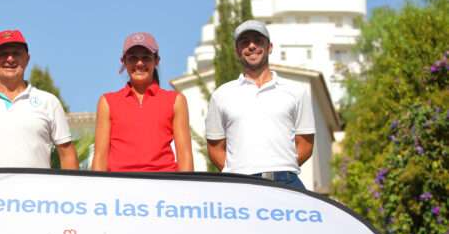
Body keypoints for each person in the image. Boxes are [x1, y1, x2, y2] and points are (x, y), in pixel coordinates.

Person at [205, 19, 315, 189]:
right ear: (237, 51)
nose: (251, 46)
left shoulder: (296, 91)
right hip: (240, 184)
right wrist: (235, 173)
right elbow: (215, 148)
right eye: (244, 42)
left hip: (288, 183)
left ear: (270, 47)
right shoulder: (221, 95)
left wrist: (283, 168)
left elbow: (306, 144)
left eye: (258, 40)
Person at [0, 29, 78, 169]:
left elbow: (67, 154)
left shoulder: (48, 102)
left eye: (16, 53)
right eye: (2, 54)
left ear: (27, 58)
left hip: (37, 191)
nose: (10, 59)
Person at [92, 32, 193, 172]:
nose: (139, 63)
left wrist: (185, 191)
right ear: (124, 61)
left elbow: (185, 155)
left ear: (156, 60)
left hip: (164, 187)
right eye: (133, 58)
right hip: (119, 187)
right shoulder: (107, 102)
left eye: (146, 57)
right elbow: (99, 157)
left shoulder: (176, 101)